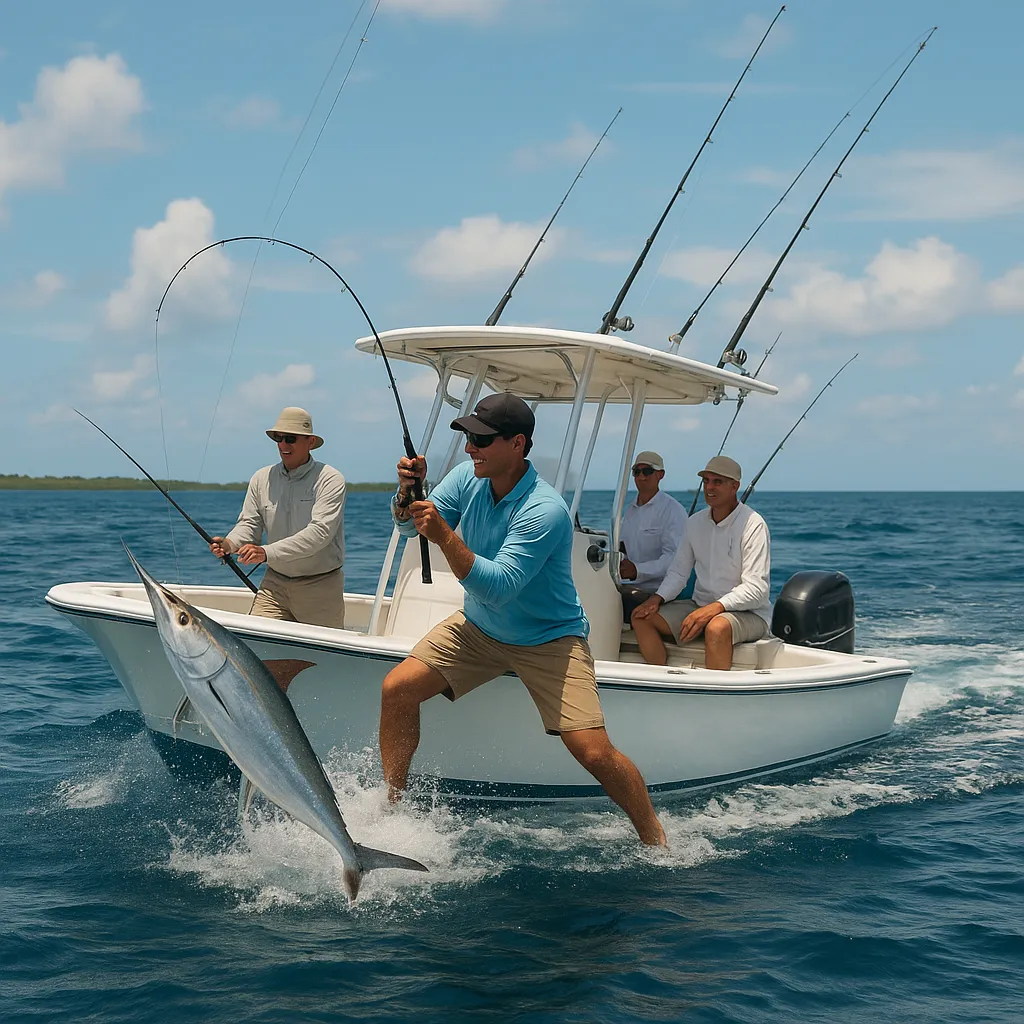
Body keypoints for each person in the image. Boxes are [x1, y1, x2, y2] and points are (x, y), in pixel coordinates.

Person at [380, 392, 666, 846]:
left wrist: (443, 534)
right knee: (397, 689)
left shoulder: (546, 509)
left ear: (517, 444)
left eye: (481, 439)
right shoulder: (465, 477)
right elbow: (403, 527)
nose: (470, 448)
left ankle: (654, 836)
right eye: (468, 438)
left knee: (593, 752)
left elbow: (499, 585)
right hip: (479, 627)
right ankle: (390, 811)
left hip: (549, 639)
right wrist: (406, 493)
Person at [209, 407, 347, 628]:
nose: (283, 445)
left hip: (320, 587)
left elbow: (319, 534)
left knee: (322, 658)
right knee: (257, 644)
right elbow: (249, 524)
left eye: (290, 439)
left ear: (310, 442)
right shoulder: (261, 478)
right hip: (275, 585)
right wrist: (229, 544)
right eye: (278, 438)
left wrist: (265, 552)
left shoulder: (330, 479)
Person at [630, 455, 770, 671]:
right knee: (641, 617)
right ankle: (662, 682)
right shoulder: (695, 522)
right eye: (706, 481)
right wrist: (657, 599)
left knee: (717, 627)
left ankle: (716, 698)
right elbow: (678, 573)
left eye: (718, 482)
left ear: (735, 486)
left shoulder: (753, 524)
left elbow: (757, 589)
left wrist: (715, 608)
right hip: (701, 605)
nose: (709, 487)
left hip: (750, 613)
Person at [618, 450, 688, 621]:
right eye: (637, 472)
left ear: (660, 475)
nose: (641, 477)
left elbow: (674, 560)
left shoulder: (673, 510)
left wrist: (637, 570)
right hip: (627, 587)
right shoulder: (629, 511)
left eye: (647, 471)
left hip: (657, 592)